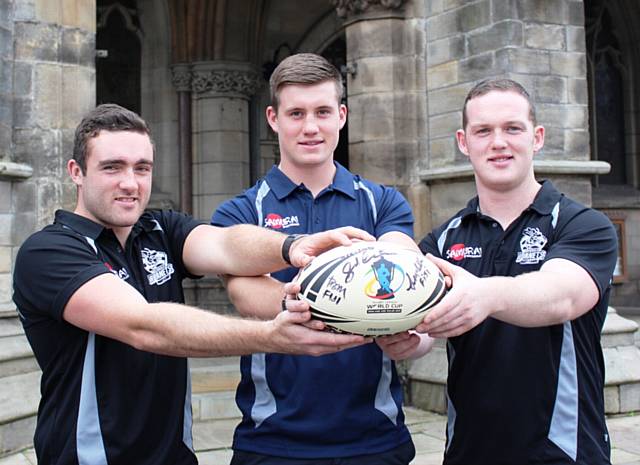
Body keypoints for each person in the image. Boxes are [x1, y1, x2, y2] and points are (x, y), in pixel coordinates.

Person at [12, 103, 374, 465]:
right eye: (112, 168)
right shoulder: (48, 252)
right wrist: (271, 337)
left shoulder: (160, 230)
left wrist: (292, 246)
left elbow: (225, 244)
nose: (130, 183)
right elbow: (144, 326)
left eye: (142, 168)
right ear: (77, 172)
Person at [212, 53, 433, 465]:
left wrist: (412, 331)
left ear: (342, 115)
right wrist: (329, 304)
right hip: (273, 440)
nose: (310, 127)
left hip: (375, 440)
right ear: (273, 118)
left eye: (322, 111)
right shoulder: (240, 212)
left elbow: (402, 267)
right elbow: (244, 293)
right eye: (296, 113)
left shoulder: (383, 202)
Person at [416, 78, 618, 465]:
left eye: (512, 128)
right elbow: (422, 330)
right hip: (468, 453)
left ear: (537, 137)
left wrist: (485, 295)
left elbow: (562, 295)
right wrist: (407, 340)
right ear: (464, 142)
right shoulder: (442, 242)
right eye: (483, 131)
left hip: (564, 453)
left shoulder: (582, 224)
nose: (498, 142)